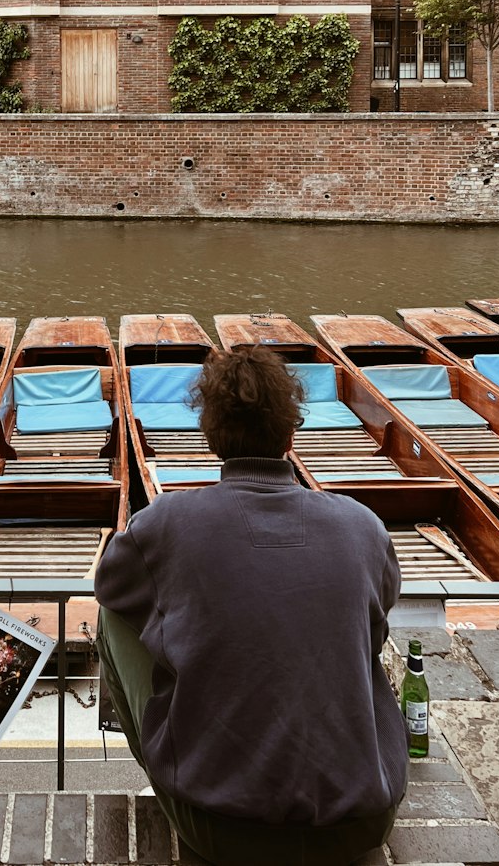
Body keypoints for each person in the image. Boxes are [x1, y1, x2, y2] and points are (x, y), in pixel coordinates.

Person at [95, 346, 408, 866]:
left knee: (111, 615)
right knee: (352, 639)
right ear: (291, 435)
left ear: (210, 437)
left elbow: (112, 586)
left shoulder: (166, 523)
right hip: (364, 822)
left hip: (220, 827)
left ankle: (174, 761)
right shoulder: (363, 527)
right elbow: (371, 639)